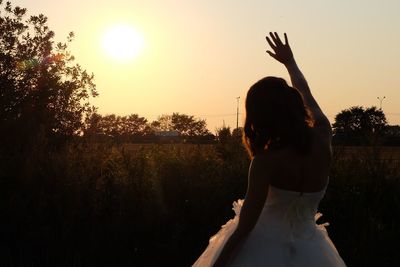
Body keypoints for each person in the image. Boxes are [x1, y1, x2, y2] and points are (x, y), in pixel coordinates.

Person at [192, 32, 346, 267]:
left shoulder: (266, 162)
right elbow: (305, 92)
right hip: (312, 250)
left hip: (260, 249)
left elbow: (244, 229)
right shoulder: (323, 135)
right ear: (294, 104)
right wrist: (290, 63)